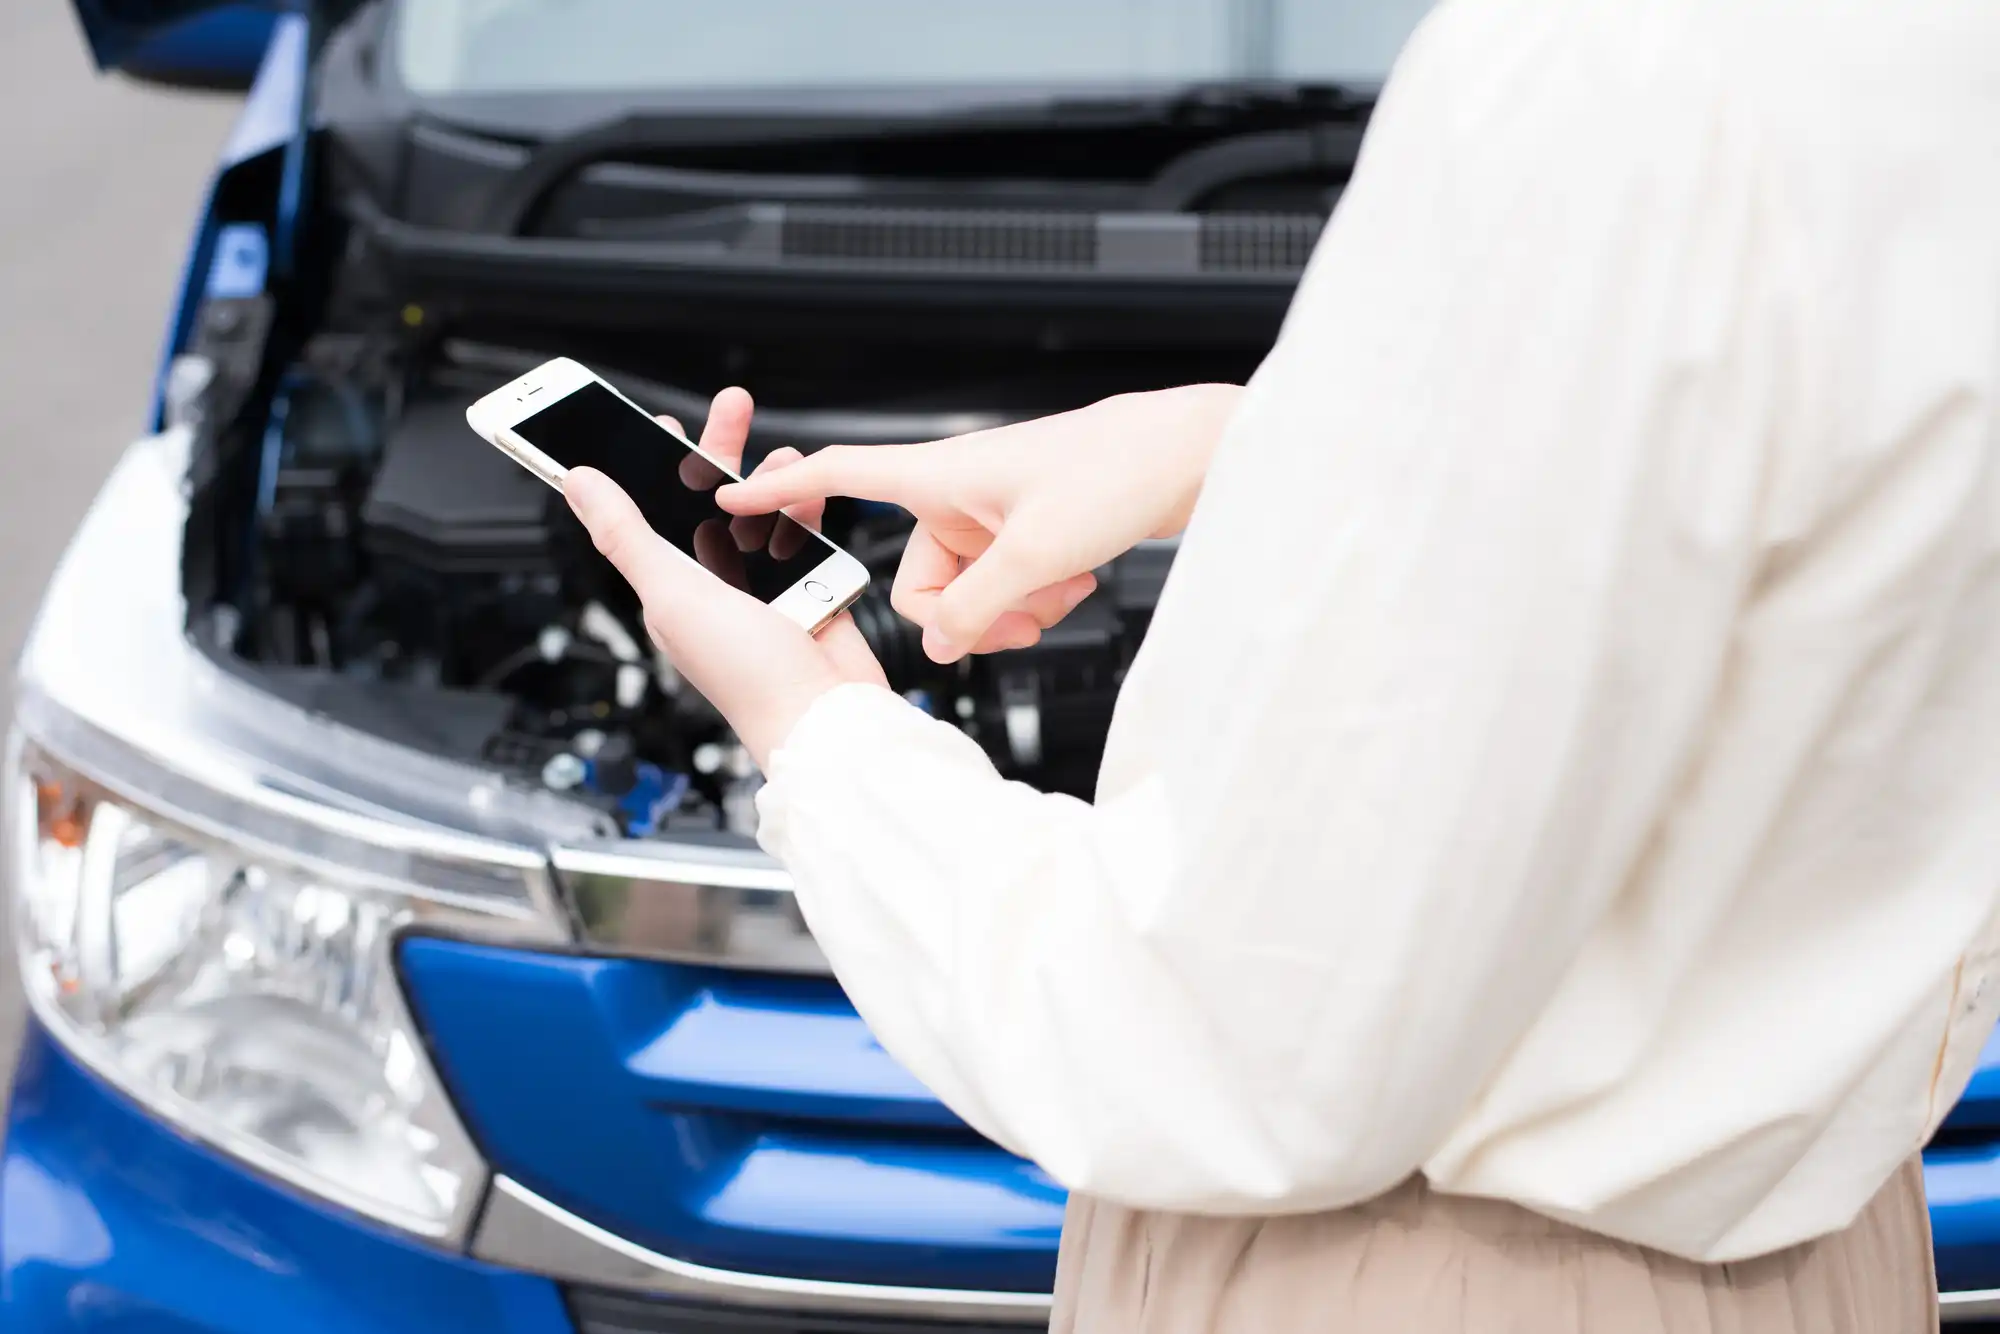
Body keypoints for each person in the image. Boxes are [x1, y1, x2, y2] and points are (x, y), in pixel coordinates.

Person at [563, 0, 2000, 1327]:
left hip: (1440, 1278)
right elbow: (1817, 461)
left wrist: (822, 727)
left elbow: (1228, 1046)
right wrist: (1236, 445)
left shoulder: (1607, 72)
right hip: (1821, 1263)